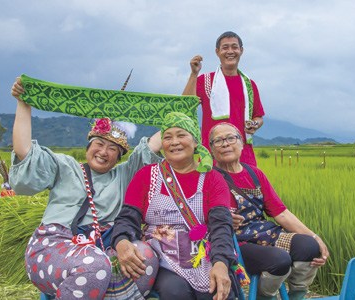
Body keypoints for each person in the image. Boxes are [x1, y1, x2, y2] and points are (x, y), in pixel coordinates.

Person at [9, 77, 163, 299]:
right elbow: (25, 152)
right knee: (94, 266)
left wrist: (182, 107)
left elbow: (157, 141)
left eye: (112, 149)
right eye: (99, 144)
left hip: (104, 244)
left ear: (119, 157)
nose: (103, 152)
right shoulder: (65, 165)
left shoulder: (124, 174)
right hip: (55, 246)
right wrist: (24, 103)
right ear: (89, 146)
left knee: (146, 255)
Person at [111, 112, 237, 300]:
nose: (174, 142)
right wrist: (121, 242)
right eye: (167, 137)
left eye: (181, 135)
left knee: (216, 291)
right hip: (162, 257)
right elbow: (128, 217)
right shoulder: (146, 175)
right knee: (175, 292)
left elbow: (221, 224)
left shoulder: (212, 178)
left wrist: (221, 263)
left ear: (195, 142)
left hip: (203, 256)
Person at [209, 123, 330, 300]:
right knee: (280, 260)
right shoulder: (210, 178)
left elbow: (281, 213)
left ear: (242, 143)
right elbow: (200, 216)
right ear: (211, 149)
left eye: (230, 138)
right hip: (237, 242)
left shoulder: (255, 174)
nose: (225, 144)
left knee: (308, 246)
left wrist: (315, 237)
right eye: (218, 141)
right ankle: (264, 296)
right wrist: (221, 219)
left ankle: (298, 294)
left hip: (266, 234)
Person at [183, 31, 265, 166]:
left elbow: (258, 116)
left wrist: (254, 124)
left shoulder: (249, 85)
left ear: (241, 50)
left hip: (243, 155)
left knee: (247, 187)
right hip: (212, 155)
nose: (230, 51)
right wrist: (194, 74)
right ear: (217, 52)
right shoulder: (206, 81)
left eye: (234, 47)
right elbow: (185, 106)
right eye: (225, 48)